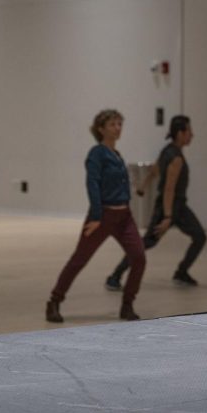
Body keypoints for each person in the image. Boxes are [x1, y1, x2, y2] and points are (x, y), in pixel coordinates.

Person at [46, 109, 146, 323]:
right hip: (102, 216)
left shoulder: (117, 155)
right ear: (100, 129)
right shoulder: (97, 153)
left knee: (138, 256)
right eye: (113, 124)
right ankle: (54, 301)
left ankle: (127, 305)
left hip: (123, 216)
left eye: (120, 124)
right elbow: (92, 184)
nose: (118, 128)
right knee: (80, 259)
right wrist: (97, 216)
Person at [106, 115, 206, 290]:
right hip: (170, 208)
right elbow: (169, 189)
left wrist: (143, 186)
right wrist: (167, 217)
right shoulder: (175, 158)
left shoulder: (167, 150)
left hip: (179, 208)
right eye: (189, 131)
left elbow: (155, 169)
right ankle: (115, 276)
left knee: (200, 236)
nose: (192, 135)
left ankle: (181, 272)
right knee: (146, 243)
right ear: (180, 133)